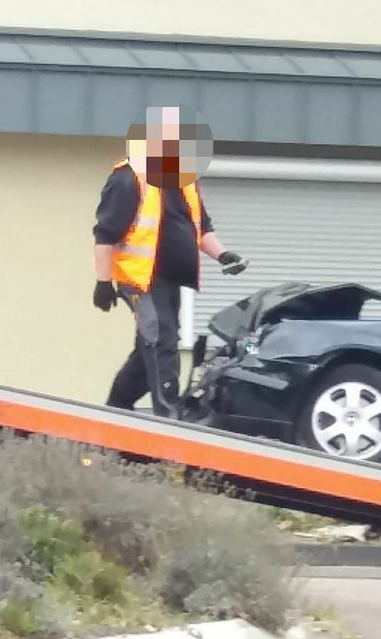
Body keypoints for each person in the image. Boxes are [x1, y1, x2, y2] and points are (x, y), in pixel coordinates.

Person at [92, 106, 248, 418]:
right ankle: (169, 414)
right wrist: (103, 282)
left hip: (169, 278)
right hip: (140, 280)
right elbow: (105, 235)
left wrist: (223, 255)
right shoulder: (128, 180)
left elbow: (200, 229)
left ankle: (116, 407)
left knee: (150, 345)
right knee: (161, 339)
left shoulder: (185, 182)